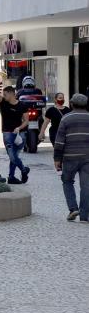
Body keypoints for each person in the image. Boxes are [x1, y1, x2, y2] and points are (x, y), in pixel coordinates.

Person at [54, 93, 89, 223]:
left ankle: (73, 208)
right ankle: (85, 215)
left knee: (67, 181)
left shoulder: (66, 119)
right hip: (87, 158)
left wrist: (57, 158)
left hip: (70, 157)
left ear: (72, 104)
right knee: (86, 185)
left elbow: (60, 141)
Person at [0, 85, 30, 184]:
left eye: (5, 94)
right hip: (7, 133)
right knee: (12, 156)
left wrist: (19, 128)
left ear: (12, 94)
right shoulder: (3, 103)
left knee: (14, 155)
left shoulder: (22, 105)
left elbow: (26, 121)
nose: (3, 96)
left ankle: (11, 177)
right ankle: (24, 170)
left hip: (20, 134)